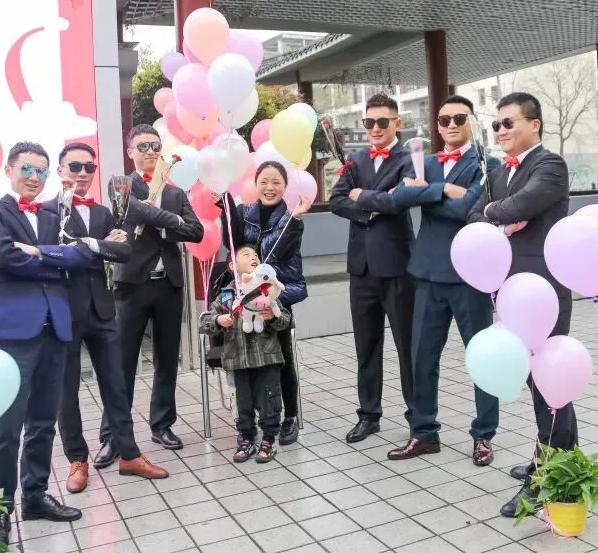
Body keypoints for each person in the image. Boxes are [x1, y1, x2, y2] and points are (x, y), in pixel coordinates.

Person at [0, 142, 96, 544]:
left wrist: (38, 251)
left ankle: (36, 495)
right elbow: (3, 257)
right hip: (14, 333)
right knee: (6, 428)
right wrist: (52, 258)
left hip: (55, 328)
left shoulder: (53, 215)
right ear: (8, 169)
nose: (34, 177)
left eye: (41, 171)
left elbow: (81, 257)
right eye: (27, 169)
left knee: (43, 422)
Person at [466, 93, 578, 519]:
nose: (500, 131)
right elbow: (472, 216)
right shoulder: (499, 172)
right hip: (512, 293)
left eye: (508, 123)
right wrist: (500, 219)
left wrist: (494, 213)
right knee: (540, 384)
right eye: (496, 125)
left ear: (535, 124)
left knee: (550, 386)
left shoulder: (550, 166)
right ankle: (559, 463)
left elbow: (522, 205)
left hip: (545, 294)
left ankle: (544, 481)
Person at [42, 143, 169, 493]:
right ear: (61, 170)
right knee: (66, 390)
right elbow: (52, 254)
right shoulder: (46, 213)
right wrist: (98, 246)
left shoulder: (102, 212)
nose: (83, 173)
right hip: (64, 312)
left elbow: (124, 250)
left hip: (102, 310)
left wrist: (85, 244)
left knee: (116, 384)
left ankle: (129, 454)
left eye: (89, 168)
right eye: (75, 167)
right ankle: (77, 460)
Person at [388, 95, 502, 466]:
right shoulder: (426, 161)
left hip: (471, 276)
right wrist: (442, 190)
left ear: (471, 121)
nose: (451, 124)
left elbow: (468, 209)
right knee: (421, 357)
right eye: (443, 119)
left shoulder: (487, 163)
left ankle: (484, 435)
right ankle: (424, 432)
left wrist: (424, 192)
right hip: (428, 274)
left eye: (458, 118)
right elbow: (399, 197)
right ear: (436, 125)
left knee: (481, 358)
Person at [100, 124, 204, 456]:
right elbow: (134, 209)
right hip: (132, 284)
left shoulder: (176, 192)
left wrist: (167, 222)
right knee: (122, 361)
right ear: (130, 151)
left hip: (169, 285)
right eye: (143, 146)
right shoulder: (121, 184)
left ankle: (162, 425)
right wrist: (173, 221)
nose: (151, 151)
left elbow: (197, 231)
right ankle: (113, 434)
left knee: (167, 359)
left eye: (156, 146)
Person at [329, 93, 416, 444]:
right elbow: (336, 200)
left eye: (382, 121)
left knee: (408, 347)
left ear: (397, 123)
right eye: (369, 122)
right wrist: (373, 206)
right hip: (361, 268)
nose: (375, 128)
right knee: (365, 347)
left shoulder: (410, 159)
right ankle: (368, 415)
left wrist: (361, 196)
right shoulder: (356, 159)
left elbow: (401, 201)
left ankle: (419, 418)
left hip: (398, 267)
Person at [213, 161, 312, 445]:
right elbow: (232, 246)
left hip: (277, 297)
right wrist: (225, 207)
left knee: (282, 359)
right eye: (264, 182)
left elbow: (281, 253)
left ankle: (289, 416)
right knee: (247, 362)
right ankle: (253, 418)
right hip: (244, 300)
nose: (270, 188)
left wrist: (296, 219)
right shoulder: (244, 212)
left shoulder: (291, 217)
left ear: (285, 187)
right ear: (255, 184)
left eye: (276, 182)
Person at [199, 244, 292, 463]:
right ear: (232, 265)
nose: (253, 257)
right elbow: (204, 322)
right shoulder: (227, 295)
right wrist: (218, 320)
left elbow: (286, 319)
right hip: (237, 359)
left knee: (269, 399)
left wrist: (274, 317)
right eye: (246, 254)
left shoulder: (267, 288)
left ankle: (268, 439)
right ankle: (246, 438)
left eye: (256, 255)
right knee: (242, 403)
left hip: (266, 357)